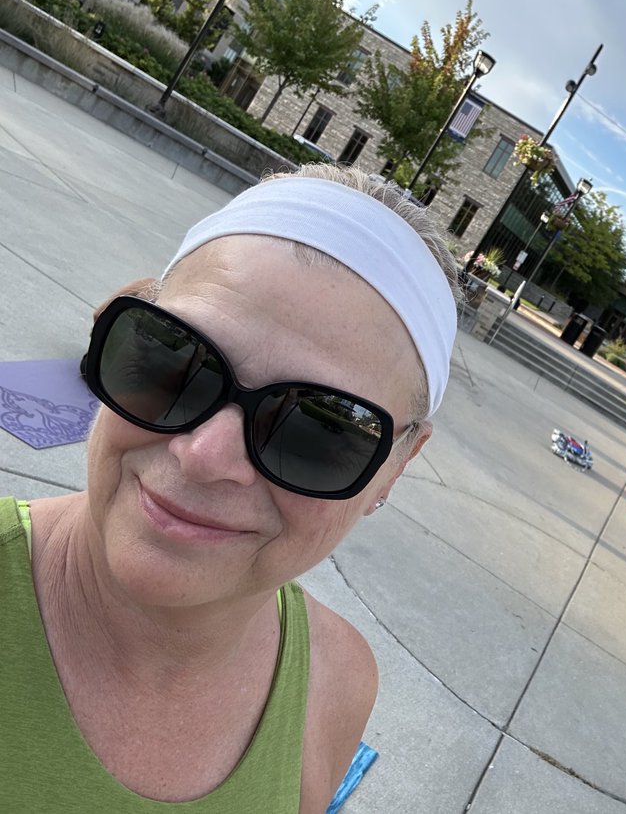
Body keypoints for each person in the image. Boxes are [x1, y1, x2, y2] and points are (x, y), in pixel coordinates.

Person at [1, 164, 461, 812]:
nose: (205, 455)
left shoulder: (336, 683)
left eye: (318, 428)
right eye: (174, 358)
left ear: (397, 465)